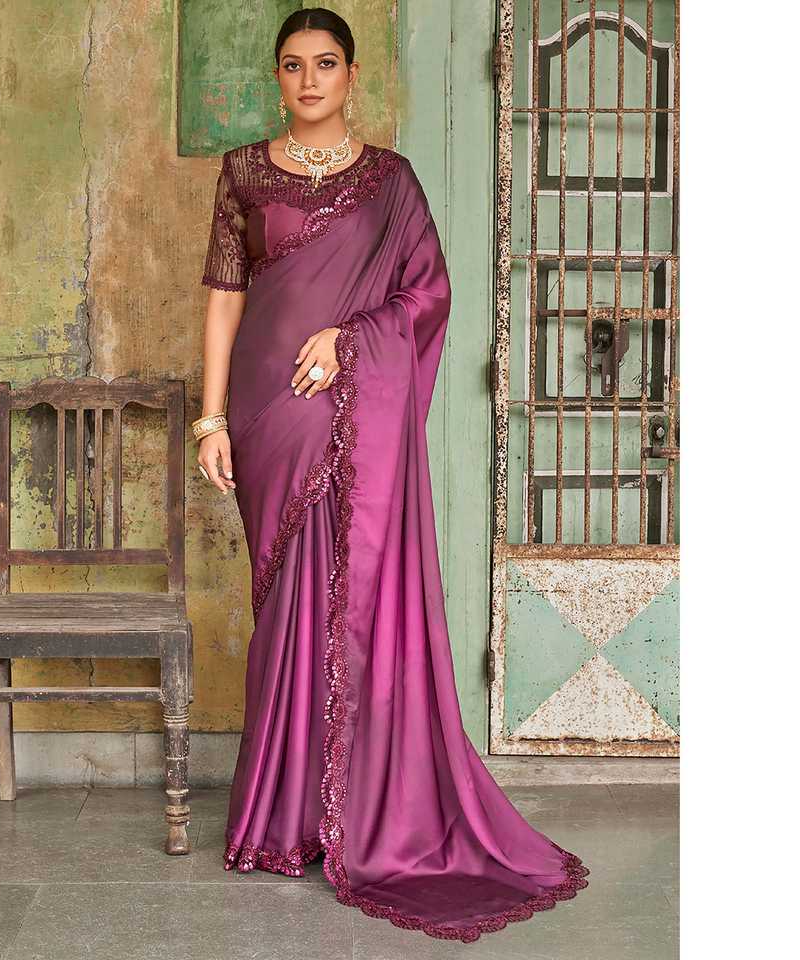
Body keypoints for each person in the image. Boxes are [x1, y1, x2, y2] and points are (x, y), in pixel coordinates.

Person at [194, 6, 589, 944]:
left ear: (351, 73)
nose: (309, 80)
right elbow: (223, 298)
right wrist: (210, 418)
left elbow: (427, 293)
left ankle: (357, 811)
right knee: (287, 609)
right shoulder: (243, 173)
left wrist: (350, 338)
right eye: (293, 65)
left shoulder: (392, 181)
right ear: (277, 78)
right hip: (267, 412)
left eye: (326, 63)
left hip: (352, 410)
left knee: (354, 601)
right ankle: (283, 819)